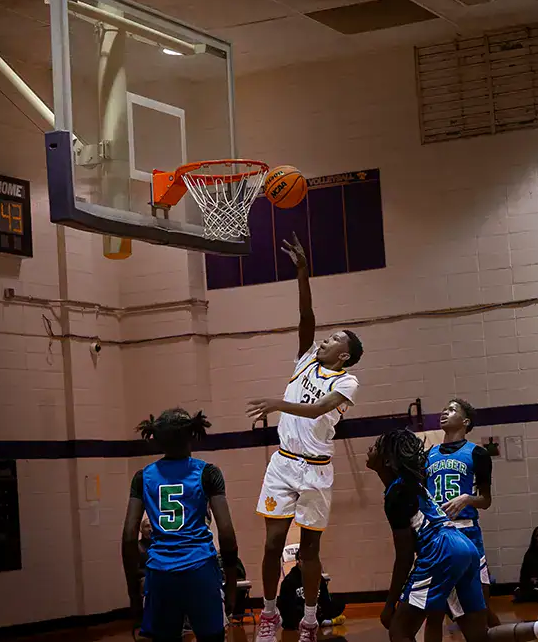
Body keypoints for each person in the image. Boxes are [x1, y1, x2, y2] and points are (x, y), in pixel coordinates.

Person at [367, 428, 538, 642]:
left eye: (375, 446)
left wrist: (390, 604)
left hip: (441, 550)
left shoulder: (397, 493)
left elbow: (405, 556)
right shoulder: (411, 485)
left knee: (400, 631)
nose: (369, 449)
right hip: (463, 545)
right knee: (479, 636)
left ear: (387, 461)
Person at [246, 233, 363, 642]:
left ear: (343, 355)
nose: (324, 340)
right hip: (283, 462)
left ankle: (311, 620)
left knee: (310, 551)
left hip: (315, 469)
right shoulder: (306, 358)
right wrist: (302, 274)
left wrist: (277, 404)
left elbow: (316, 410)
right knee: (272, 544)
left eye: (333, 340)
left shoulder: (347, 382)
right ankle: (269, 613)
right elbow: (306, 316)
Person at [121, 409, 239, 642]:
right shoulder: (208, 473)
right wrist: (232, 586)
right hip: (200, 568)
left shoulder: (142, 477)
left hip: (160, 573)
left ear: (157, 439)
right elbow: (226, 533)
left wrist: (133, 592)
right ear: (193, 434)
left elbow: (128, 537)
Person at [424, 398, 499, 642]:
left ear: (465, 421)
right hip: (437, 535)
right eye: (444, 409)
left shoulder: (477, 453)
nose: (444, 412)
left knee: (482, 610)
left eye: (452, 409)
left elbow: (486, 500)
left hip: (467, 533)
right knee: (434, 613)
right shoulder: (428, 455)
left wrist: (467, 499)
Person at [278, 548, 346, 630]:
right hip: (299, 612)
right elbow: (287, 606)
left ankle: (320, 620)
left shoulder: (318, 578)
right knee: (294, 611)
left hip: (315, 609)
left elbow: (325, 600)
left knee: (339, 602)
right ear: (298, 561)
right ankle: (322, 621)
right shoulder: (289, 581)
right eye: (304, 560)